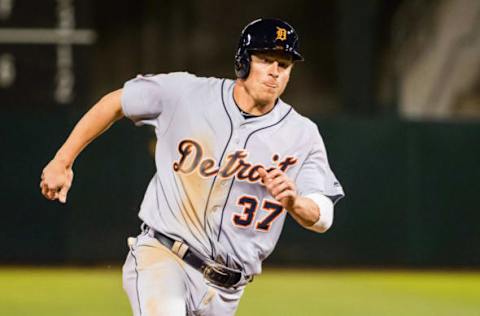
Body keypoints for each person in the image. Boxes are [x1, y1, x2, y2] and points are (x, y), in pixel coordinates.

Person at [40, 18, 344, 316]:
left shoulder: (302, 134)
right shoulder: (186, 93)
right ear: (243, 61)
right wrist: (63, 160)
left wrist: (295, 202)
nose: (274, 72)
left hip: (226, 291)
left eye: (284, 64)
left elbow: (323, 215)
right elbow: (118, 102)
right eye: (266, 59)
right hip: (163, 257)